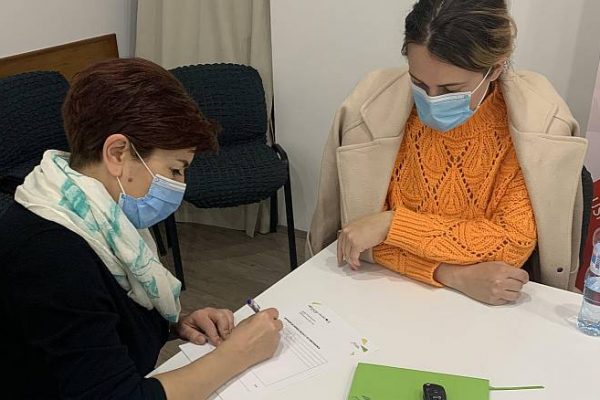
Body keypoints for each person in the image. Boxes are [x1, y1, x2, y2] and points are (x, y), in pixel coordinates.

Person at [0, 58, 283, 400]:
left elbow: (99, 320)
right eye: (175, 169)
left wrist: (174, 324)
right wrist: (237, 354)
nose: (180, 185)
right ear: (118, 153)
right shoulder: (52, 253)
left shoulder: (96, 211)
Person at [307, 0, 588, 305]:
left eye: (451, 90)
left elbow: (511, 244)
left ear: (495, 68)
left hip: (481, 307)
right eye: (417, 82)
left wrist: (391, 225)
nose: (431, 100)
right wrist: (450, 274)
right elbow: (359, 240)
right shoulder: (371, 109)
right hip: (380, 289)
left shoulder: (533, 126)